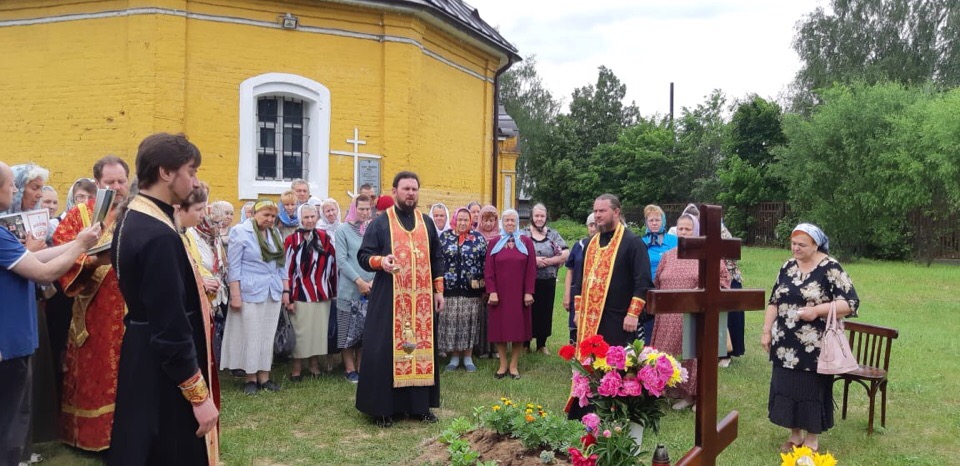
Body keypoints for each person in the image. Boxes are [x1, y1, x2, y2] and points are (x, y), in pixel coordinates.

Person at [109, 133, 219, 465]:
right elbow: (170, 324)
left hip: (142, 353)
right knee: (169, 450)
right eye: (191, 170)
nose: (195, 180)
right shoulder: (158, 236)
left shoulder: (133, 216)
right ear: (166, 172)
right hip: (163, 370)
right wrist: (199, 397)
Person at [0, 161, 101, 466]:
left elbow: (31, 256)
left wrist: (72, 243)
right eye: (10, 184)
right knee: (9, 423)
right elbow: (43, 273)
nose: (14, 189)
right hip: (8, 342)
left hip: (14, 339)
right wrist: (81, 245)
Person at [52, 155, 130, 452]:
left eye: (121, 181)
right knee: (94, 372)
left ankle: (126, 433)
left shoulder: (134, 213)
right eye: (109, 182)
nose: (117, 187)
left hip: (129, 306)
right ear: (97, 183)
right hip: (93, 308)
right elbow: (61, 255)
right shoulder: (78, 216)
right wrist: (93, 260)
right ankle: (91, 437)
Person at [356, 171, 444, 428]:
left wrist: (439, 291)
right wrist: (381, 261)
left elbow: (437, 258)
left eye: (414, 189)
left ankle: (419, 406)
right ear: (394, 191)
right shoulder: (381, 223)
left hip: (423, 303)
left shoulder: (426, 223)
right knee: (385, 350)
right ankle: (382, 409)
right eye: (406, 189)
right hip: (390, 299)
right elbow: (364, 256)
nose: (410, 193)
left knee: (420, 350)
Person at [762, 223, 859, 454]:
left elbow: (851, 303)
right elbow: (774, 301)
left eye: (802, 245)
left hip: (815, 345)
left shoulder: (830, 267)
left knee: (811, 390)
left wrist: (818, 310)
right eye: (793, 244)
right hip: (784, 343)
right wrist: (766, 331)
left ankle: (812, 439)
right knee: (786, 387)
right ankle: (794, 435)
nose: (796, 248)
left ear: (816, 245)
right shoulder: (786, 266)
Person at [568, 194, 653, 420]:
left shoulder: (632, 242)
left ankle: (614, 413)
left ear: (616, 212)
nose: (597, 215)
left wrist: (633, 313)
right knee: (590, 364)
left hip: (619, 318)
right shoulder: (591, 243)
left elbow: (643, 281)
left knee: (615, 367)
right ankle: (585, 410)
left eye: (602, 211)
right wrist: (578, 311)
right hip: (590, 319)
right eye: (595, 211)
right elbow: (580, 280)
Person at [651, 212, 729, 411]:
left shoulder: (708, 255)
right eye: (680, 229)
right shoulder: (668, 256)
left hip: (694, 315)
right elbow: (658, 282)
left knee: (693, 354)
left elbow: (722, 282)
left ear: (697, 231)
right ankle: (668, 391)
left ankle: (693, 395)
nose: (683, 232)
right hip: (667, 316)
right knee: (666, 353)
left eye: (688, 228)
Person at [221, 200, 288, 395]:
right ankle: (250, 378)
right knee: (251, 334)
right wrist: (235, 295)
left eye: (273, 216)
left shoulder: (275, 233)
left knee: (267, 334)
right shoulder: (240, 232)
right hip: (249, 290)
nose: (270, 219)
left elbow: (281, 264)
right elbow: (234, 266)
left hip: (272, 290)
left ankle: (264, 377)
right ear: (253, 214)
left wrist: (285, 291)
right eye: (266, 215)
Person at [284, 203, 338, 381]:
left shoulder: (325, 238)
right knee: (301, 332)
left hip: (322, 292)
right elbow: (287, 269)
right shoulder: (292, 240)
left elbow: (333, 265)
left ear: (317, 217)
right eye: (306, 217)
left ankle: (314, 364)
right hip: (300, 292)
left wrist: (334, 289)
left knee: (317, 331)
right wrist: (288, 295)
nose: (309, 220)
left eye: (312, 217)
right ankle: (297, 367)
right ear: (300, 218)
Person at [484, 208, 535, 379]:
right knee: (500, 329)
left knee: (518, 329)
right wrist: (492, 291)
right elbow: (488, 270)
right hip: (499, 294)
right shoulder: (494, 243)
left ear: (518, 222)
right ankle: (503, 364)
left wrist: (528, 292)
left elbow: (531, 269)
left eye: (513, 220)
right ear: (502, 222)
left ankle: (513, 365)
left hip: (519, 294)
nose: (510, 223)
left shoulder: (526, 242)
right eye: (507, 220)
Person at [437, 207, 487, 373]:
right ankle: (454, 356)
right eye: (460, 219)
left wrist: (485, 286)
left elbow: (485, 262)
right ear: (455, 220)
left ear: (471, 220)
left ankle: (468, 356)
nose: (463, 223)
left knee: (468, 323)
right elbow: (437, 261)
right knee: (452, 322)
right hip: (449, 289)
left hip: (471, 289)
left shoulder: (478, 238)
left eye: (466, 220)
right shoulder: (445, 237)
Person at [184, 188, 228, 364]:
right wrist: (202, 280)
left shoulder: (212, 234)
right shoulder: (190, 233)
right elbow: (195, 262)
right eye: (215, 223)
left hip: (212, 285)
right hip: (198, 288)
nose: (219, 227)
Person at [335, 194, 374, 383]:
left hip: (371, 289)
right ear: (354, 208)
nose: (365, 212)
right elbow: (342, 260)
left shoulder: (373, 229)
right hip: (350, 289)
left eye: (368, 209)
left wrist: (372, 281)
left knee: (365, 333)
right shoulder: (342, 230)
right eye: (362, 209)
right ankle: (350, 369)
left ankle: (363, 367)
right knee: (347, 332)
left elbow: (378, 255)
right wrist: (359, 281)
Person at [521, 203, 568, 354]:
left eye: (542, 216)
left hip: (548, 279)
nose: (540, 219)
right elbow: (517, 253)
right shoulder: (523, 234)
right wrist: (533, 260)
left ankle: (542, 344)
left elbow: (566, 252)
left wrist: (550, 261)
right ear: (531, 217)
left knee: (545, 311)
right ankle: (525, 343)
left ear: (546, 217)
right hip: (527, 280)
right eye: (537, 216)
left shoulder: (553, 234)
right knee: (527, 310)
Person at [640, 204, 678, 344]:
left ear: (663, 221)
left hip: (669, 288)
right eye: (651, 220)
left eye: (657, 220)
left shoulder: (674, 241)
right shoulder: (641, 243)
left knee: (667, 322)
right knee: (649, 323)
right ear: (646, 223)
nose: (654, 223)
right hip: (649, 289)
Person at [563, 213, 596, 344]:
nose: (594, 228)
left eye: (596, 224)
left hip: (596, 293)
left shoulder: (608, 247)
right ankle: (574, 356)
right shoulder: (579, 245)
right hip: (578, 292)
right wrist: (567, 294)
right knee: (575, 323)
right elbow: (570, 271)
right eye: (591, 225)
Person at [719, 221, 745, 368]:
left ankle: (726, 353)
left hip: (729, 281)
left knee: (729, 318)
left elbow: (731, 259)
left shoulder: (724, 235)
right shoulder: (699, 233)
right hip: (710, 281)